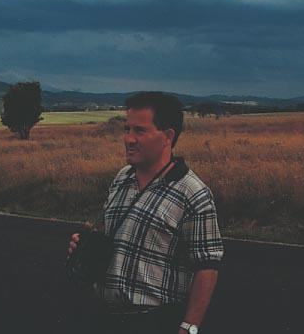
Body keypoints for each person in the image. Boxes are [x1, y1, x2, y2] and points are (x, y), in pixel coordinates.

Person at [67, 92, 224, 334]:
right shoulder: (123, 178)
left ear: (168, 137)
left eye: (140, 131)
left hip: (153, 323)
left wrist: (189, 328)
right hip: (103, 317)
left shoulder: (193, 192)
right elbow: (112, 234)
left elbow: (207, 266)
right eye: (127, 129)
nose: (128, 139)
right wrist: (86, 245)